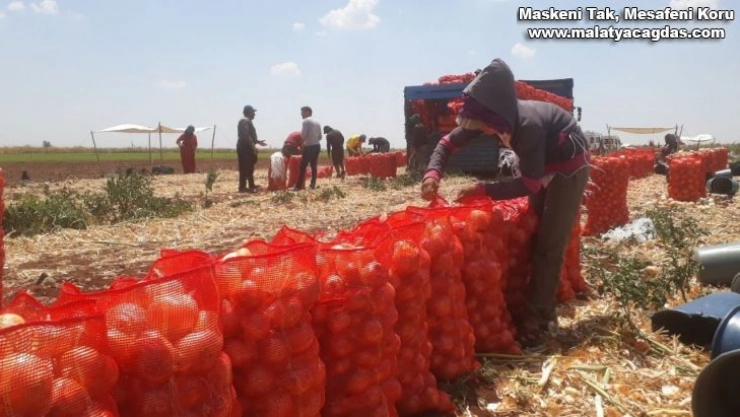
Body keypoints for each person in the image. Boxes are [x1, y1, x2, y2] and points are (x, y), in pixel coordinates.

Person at [420, 58, 591, 348]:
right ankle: (539, 302)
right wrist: (432, 174)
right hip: (538, 164)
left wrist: (482, 189)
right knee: (535, 231)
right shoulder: (488, 118)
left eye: (485, 126)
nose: (483, 131)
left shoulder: (527, 125)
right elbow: (446, 144)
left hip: (568, 168)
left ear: (497, 115)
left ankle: (538, 322)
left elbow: (529, 184)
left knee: (549, 245)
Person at [237, 105, 266, 193]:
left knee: (249, 167)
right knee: (245, 167)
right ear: (249, 112)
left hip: (245, 146)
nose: (254, 114)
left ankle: (251, 185)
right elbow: (246, 136)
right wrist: (253, 147)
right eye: (253, 112)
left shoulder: (246, 121)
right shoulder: (245, 121)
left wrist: (257, 141)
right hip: (245, 147)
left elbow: (249, 136)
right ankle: (242, 187)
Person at [293, 106, 322, 191]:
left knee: (303, 166)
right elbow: (320, 137)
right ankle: (312, 185)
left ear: (308, 112)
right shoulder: (317, 122)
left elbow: (303, 135)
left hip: (309, 146)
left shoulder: (305, 121)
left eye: (302, 112)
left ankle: (298, 187)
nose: (301, 114)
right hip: (317, 145)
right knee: (314, 166)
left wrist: (301, 143)